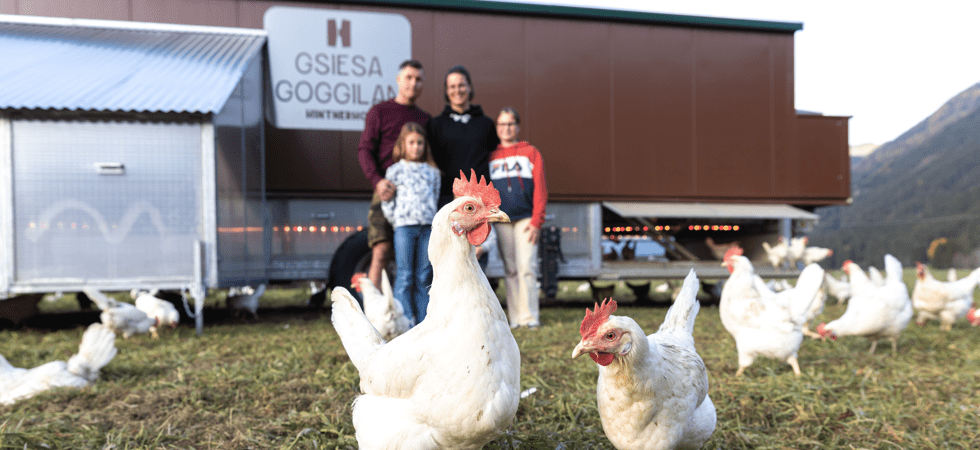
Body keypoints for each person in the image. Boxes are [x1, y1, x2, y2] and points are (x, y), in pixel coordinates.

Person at [357, 60, 431, 290]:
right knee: (381, 250)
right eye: (408, 77)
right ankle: (373, 308)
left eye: (418, 79)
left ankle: (408, 307)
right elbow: (364, 150)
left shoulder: (425, 120)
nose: (413, 83)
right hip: (386, 191)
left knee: (416, 259)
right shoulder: (379, 112)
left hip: (416, 198)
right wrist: (377, 181)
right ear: (398, 80)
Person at [488, 107, 548, 329]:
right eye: (502, 124)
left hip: (526, 219)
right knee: (511, 270)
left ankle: (529, 317)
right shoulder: (491, 156)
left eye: (510, 124)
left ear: (518, 127)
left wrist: (536, 221)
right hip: (502, 221)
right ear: (497, 128)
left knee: (527, 267)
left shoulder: (530, 152)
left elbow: (540, 188)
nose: (506, 128)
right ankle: (515, 318)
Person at [381, 122, 440, 325]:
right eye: (412, 143)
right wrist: (397, 220)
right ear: (403, 145)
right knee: (405, 275)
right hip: (404, 228)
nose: (416, 147)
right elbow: (387, 201)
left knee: (424, 276)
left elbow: (434, 196)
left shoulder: (432, 172)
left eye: (420, 143)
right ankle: (405, 321)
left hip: (427, 228)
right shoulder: (395, 171)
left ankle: (424, 322)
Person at [427, 65, 499, 208]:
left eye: (461, 85)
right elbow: (429, 162)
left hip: (481, 200)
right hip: (447, 199)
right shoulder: (435, 125)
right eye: (452, 86)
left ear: (470, 87)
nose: (457, 90)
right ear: (446, 91)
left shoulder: (486, 124)